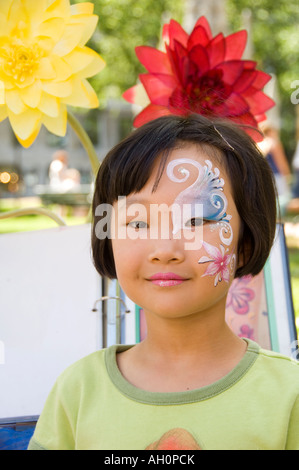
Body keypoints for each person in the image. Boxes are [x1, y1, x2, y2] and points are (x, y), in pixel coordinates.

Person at [28, 115, 299, 450]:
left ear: (244, 245)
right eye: (138, 222)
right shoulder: (78, 392)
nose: (164, 250)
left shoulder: (289, 396)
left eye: (197, 219)